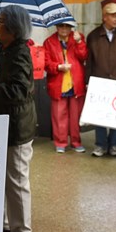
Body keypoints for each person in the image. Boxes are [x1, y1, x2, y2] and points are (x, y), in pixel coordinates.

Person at [0, 6, 37, 232]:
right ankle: (7, 222)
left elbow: (19, 92)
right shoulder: (1, 47)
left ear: (12, 28)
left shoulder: (20, 52)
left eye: (0, 21)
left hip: (17, 124)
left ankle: (22, 231)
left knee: (17, 177)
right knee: (3, 176)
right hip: (1, 121)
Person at [85, 2, 116, 157]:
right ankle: (100, 145)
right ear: (105, 17)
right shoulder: (93, 36)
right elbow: (89, 61)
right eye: (113, 15)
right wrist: (88, 81)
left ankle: (114, 145)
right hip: (100, 80)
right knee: (100, 115)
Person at [43, 20, 88, 153]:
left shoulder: (77, 37)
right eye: (61, 26)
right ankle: (60, 142)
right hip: (58, 83)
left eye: (67, 26)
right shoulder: (49, 42)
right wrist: (58, 67)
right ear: (56, 27)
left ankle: (76, 141)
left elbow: (84, 56)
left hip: (76, 82)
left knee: (75, 115)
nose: (64, 29)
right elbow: (46, 63)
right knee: (58, 115)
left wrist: (79, 42)